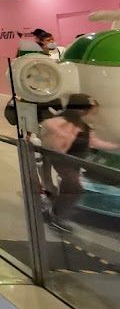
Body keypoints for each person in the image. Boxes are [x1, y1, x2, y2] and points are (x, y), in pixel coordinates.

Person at [39, 93, 117, 233]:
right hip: (63, 161)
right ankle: (56, 216)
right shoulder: (64, 122)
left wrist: (115, 146)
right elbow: (47, 124)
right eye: (90, 110)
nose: (93, 113)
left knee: (68, 188)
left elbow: (94, 142)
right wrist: (63, 134)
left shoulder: (84, 125)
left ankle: (53, 214)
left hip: (75, 162)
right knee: (74, 188)